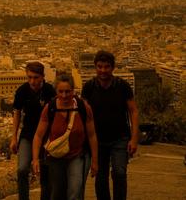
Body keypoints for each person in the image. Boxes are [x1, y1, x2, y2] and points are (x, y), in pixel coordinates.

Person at [81, 51, 139, 200]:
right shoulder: (89, 87)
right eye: (100, 67)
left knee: (119, 172)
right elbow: (84, 115)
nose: (103, 70)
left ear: (112, 68)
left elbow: (133, 111)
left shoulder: (122, 86)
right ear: (95, 67)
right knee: (100, 176)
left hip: (120, 137)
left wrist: (134, 139)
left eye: (106, 67)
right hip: (97, 140)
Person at [32, 74, 98, 200]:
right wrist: (35, 159)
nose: (64, 95)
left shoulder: (83, 108)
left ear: (73, 91)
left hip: (77, 155)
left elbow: (92, 135)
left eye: (68, 91)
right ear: (56, 91)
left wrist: (95, 160)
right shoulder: (50, 108)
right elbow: (38, 135)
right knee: (57, 192)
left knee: (75, 189)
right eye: (60, 91)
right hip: (55, 156)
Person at [10, 62, 56, 200]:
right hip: (28, 135)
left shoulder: (49, 91)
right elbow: (17, 113)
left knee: (45, 172)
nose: (32, 81)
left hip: (46, 136)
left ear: (42, 77)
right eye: (29, 77)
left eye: (35, 77)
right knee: (22, 169)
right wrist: (14, 137)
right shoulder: (22, 91)